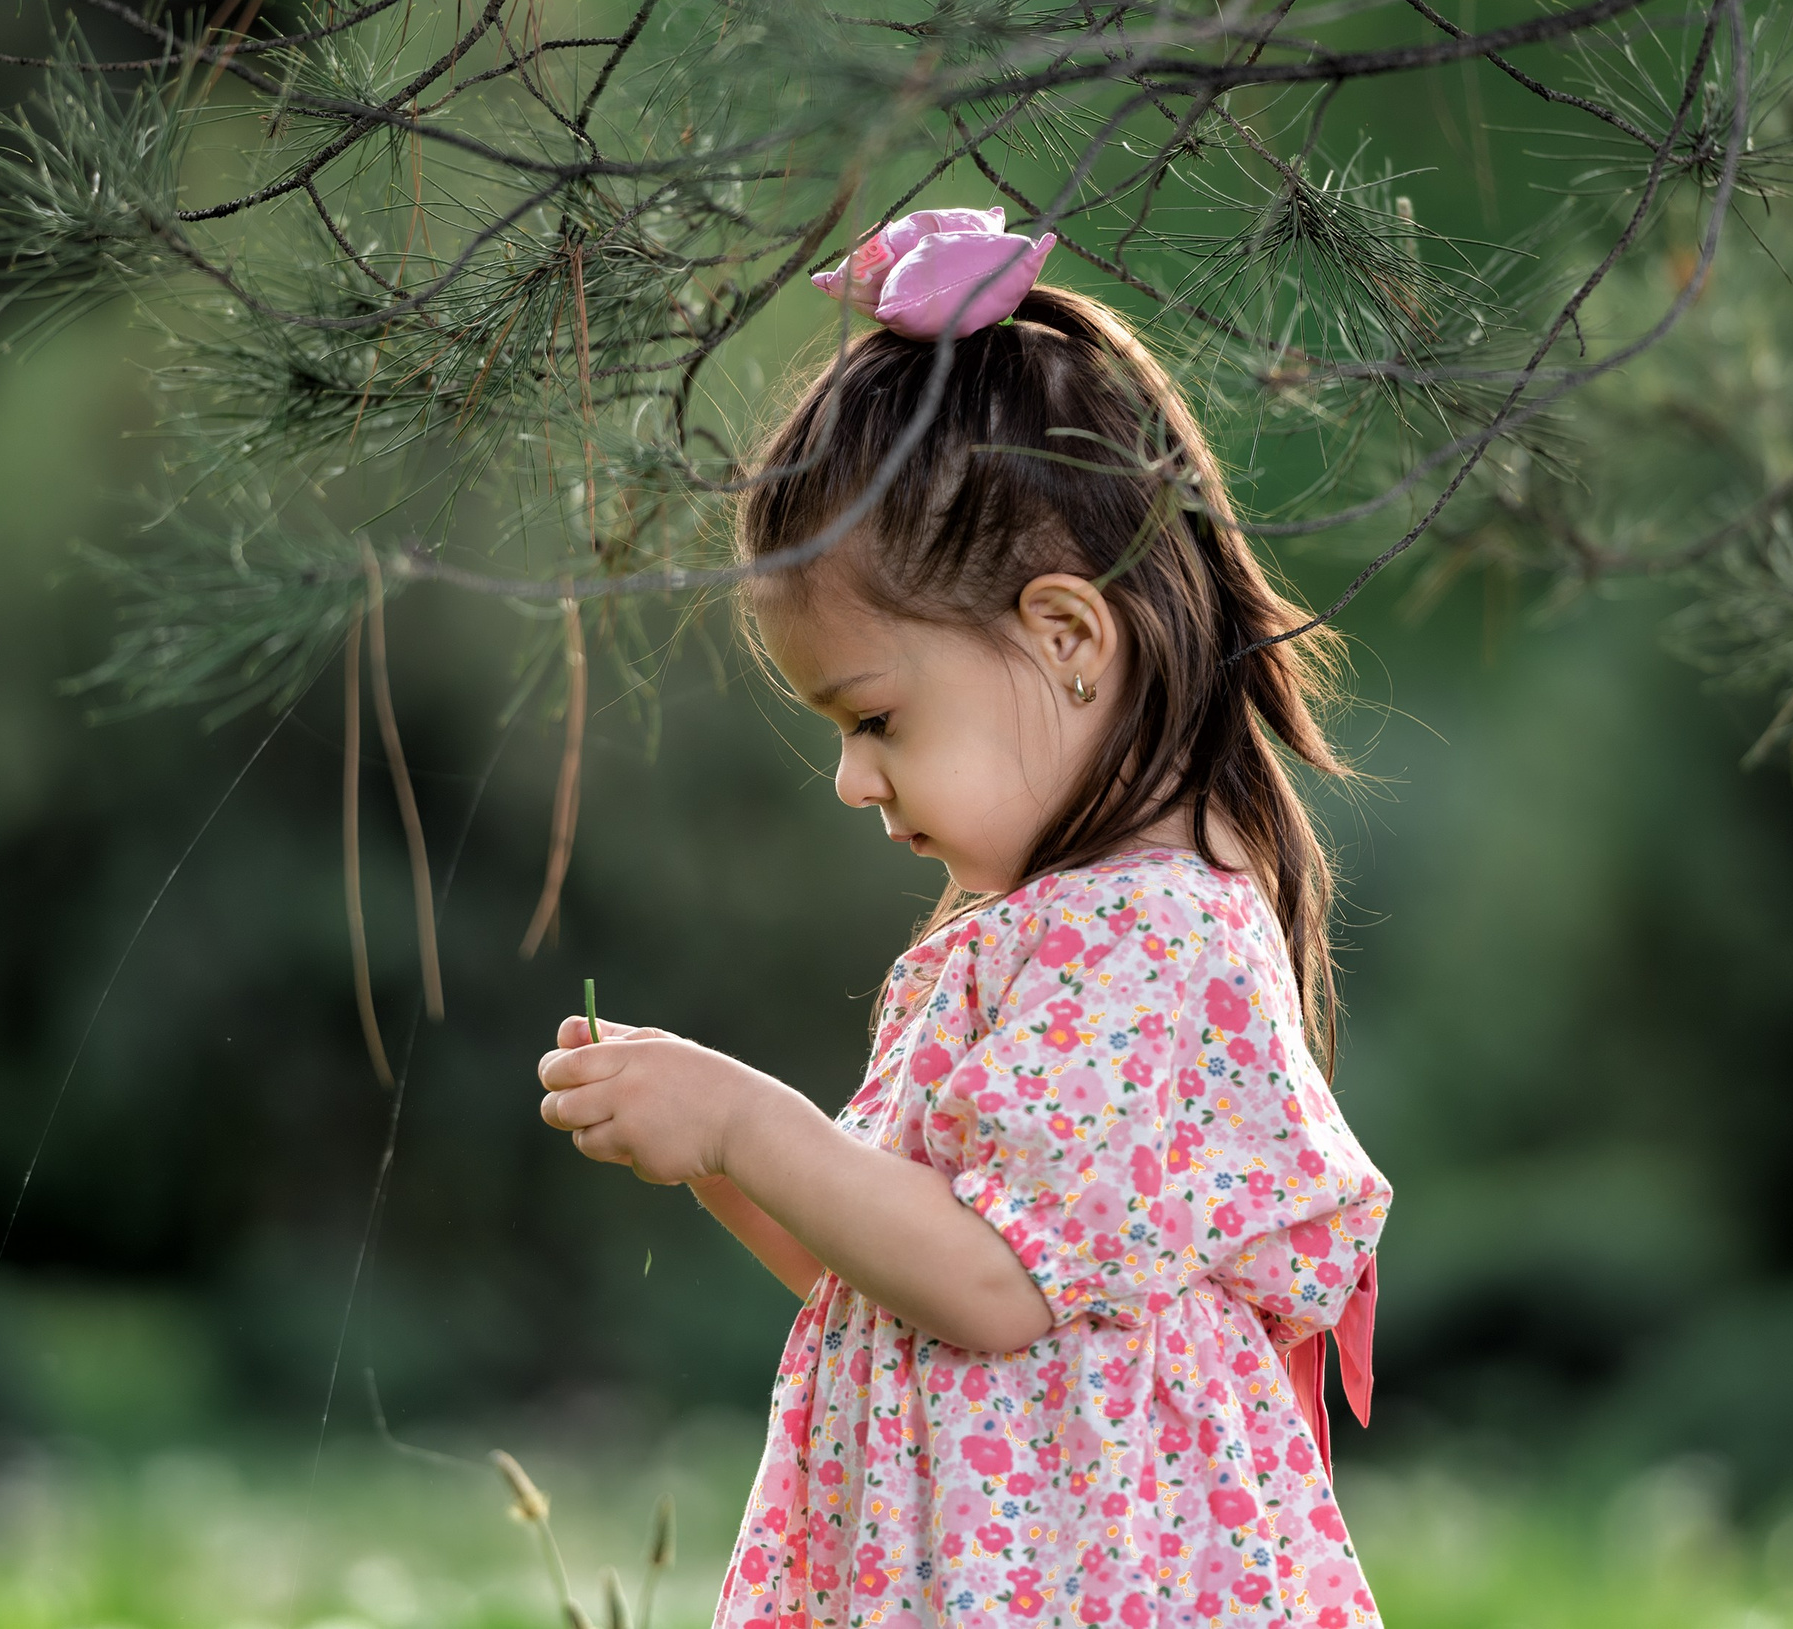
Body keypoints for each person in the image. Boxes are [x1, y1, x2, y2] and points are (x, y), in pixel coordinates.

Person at [536, 207, 1392, 1628]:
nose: (850, 775)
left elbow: (995, 1286)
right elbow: (884, 1271)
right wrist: (716, 1155)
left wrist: (752, 1121)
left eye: (874, 717)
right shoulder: (1024, 932)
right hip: (971, 1555)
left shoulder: (1153, 936)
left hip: (1080, 1566)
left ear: (1066, 637)